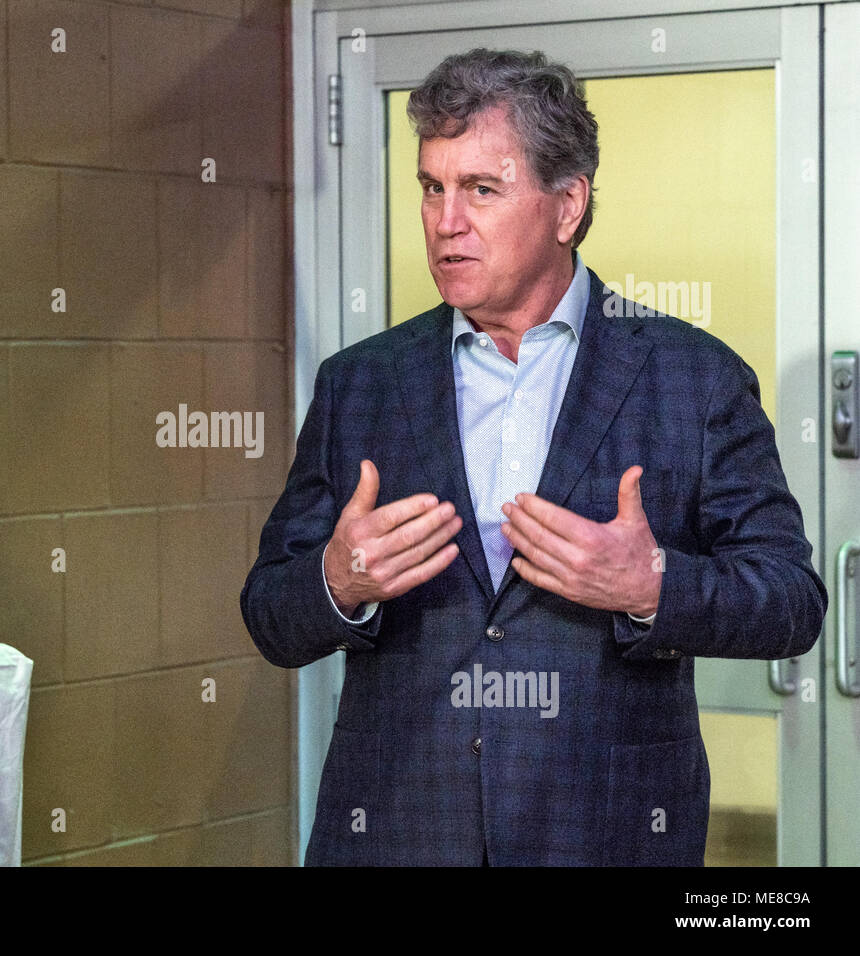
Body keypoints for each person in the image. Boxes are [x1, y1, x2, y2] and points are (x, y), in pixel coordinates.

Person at [240, 48, 826, 866]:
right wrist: (337, 582)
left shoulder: (693, 377)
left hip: (604, 834)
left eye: (481, 188)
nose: (446, 220)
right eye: (431, 187)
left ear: (567, 205)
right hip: (401, 830)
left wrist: (652, 583)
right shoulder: (361, 385)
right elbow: (270, 613)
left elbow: (792, 603)